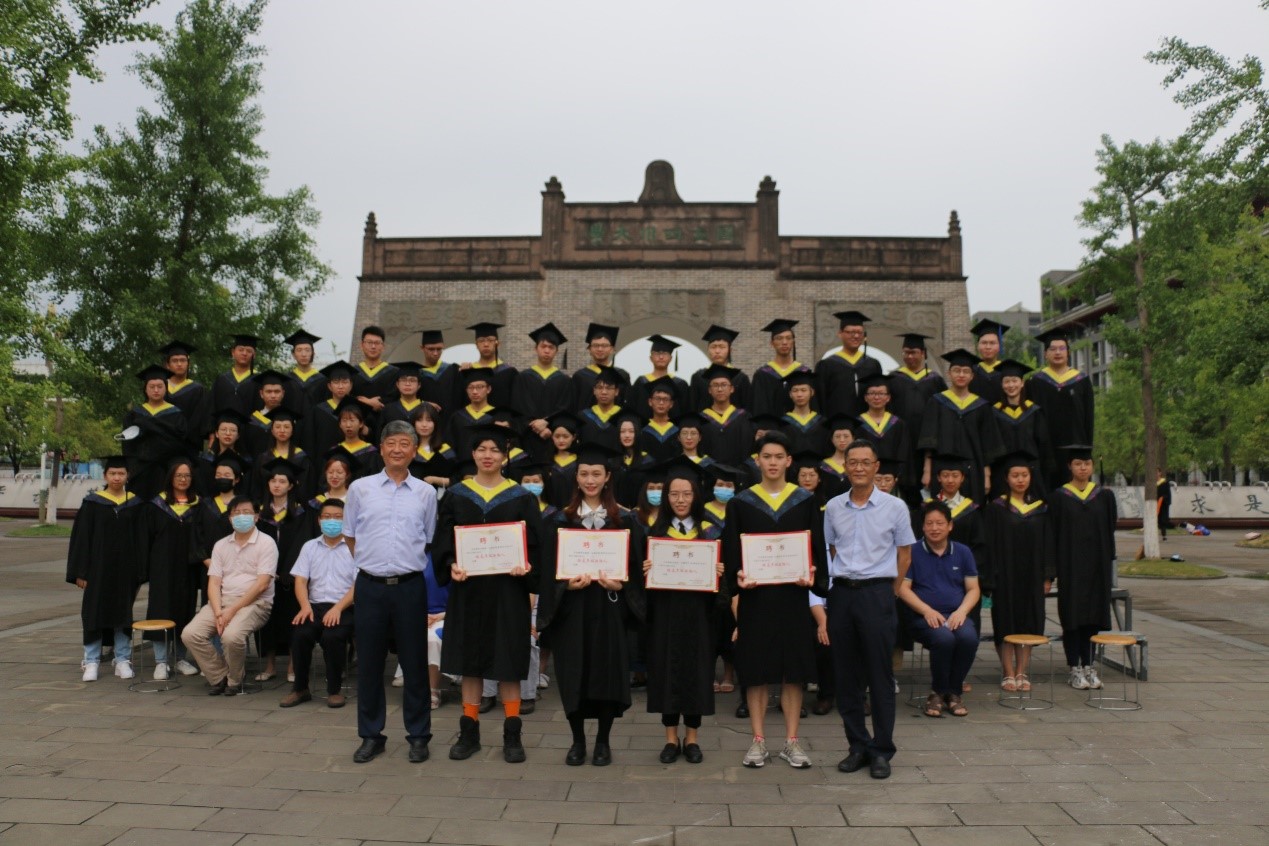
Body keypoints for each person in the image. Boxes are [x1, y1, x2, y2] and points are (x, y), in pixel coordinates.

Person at [432, 423, 542, 763]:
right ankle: (469, 732)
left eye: (495, 449)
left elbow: (536, 546)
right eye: (482, 449)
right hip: (469, 590)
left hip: (509, 591)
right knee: (471, 662)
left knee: (507, 662)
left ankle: (512, 733)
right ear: (473, 454)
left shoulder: (521, 497)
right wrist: (451, 563)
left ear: (505, 456)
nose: (488, 455)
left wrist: (526, 566)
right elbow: (443, 540)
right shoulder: (457, 495)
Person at [538, 443, 646, 767]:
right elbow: (547, 570)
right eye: (584, 474)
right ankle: (577, 741)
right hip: (573, 609)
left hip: (609, 608)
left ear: (607, 476)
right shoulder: (560, 520)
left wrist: (621, 584)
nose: (590, 480)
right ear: (576, 477)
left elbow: (637, 570)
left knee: (606, 674)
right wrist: (565, 584)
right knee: (574, 674)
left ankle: (602, 741)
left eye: (596, 474)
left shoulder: (626, 520)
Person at [722, 431, 826, 770]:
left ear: (788, 461)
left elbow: (816, 548)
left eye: (779, 456)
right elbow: (732, 552)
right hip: (756, 598)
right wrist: (738, 576)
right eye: (766, 456)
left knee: (793, 670)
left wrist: (812, 575)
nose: (772, 462)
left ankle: (792, 742)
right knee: (755, 671)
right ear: (758, 460)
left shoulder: (804, 500)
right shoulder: (741, 503)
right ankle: (758, 741)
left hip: (793, 597)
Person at [343, 419, 439, 764]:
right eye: (391, 443)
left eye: (405, 444)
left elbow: (428, 539)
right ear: (381, 449)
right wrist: (372, 563)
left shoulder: (426, 493)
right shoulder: (360, 489)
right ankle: (371, 735)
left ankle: (419, 735)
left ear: (414, 451)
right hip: (369, 587)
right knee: (370, 664)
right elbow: (350, 535)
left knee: (414, 663)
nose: (397, 450)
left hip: (410, 588)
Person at [822, 439, 917, 780]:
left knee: (880, 675)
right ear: (845, 467)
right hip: (842, 594)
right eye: (853, 462)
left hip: (878, 594)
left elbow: (905, 554)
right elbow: (831, 549)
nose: (859, 468)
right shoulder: (833, 507)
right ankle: (857, 746)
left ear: (876, 467)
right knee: (846, 676)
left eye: (866, 462)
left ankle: (882, 750)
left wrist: (890, 591)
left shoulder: (895, 507)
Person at [642, 467, 723, 764]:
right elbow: (641, 582)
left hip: (699, 615)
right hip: (665, 614)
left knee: (696, 673)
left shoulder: (710, 531)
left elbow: (722, 586)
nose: (680, 499)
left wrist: (718, 573)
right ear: (666, 497)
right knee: (666, 671)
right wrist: (645, 571)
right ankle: (670, 739)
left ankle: (692, 739)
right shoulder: (655, 531)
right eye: (674, 494)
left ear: (695, 496)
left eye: (686, 494)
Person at [181, 495, 278, 696]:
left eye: (246, 512)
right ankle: (220, 676)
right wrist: (218, 612)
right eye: (236, 513)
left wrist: (231, 611)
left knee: (231, 636)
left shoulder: (266, 543)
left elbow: (262, 584)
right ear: (230, 518)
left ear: (256, 516)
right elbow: (214, 582)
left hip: (255, 604)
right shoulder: (221, 545)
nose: (241, 516)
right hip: (222, 602)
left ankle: (235, 681)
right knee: (190, 634)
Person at [898, 500, 981, 718]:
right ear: (923, 526)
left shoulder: (963, 552)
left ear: (950, 525)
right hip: (922, 616)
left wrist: (961, 611)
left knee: (968, 638)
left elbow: (973, 589)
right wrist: (926, 610)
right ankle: (939, 692)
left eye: (940, 523)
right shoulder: (912, 551)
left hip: (955, 614)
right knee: (944, 639)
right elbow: (902, 588)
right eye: (929, 523)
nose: (934, 528)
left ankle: (953, 692)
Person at [982, 452, 1055, 693]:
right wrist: (990, 578)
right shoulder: (996, 508)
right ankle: (1008, 672)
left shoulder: (1041, 509)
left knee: (1029, 622)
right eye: (1015, 475)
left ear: (1031, 477)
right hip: (1005, 577)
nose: (1020, 479)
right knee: (1005, 622)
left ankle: (1022, 671)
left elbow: (1048, 543)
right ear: (1007, 478)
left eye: (1024, 475)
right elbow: (989, 546)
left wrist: (1047, 576)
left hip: (1032, 577)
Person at [68, 455, 144, 682]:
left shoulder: (136, 504)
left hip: (125, 570)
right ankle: (91, 660)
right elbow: (81, 539)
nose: (117, 478)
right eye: (112, 473)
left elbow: (142, 540)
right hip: (97, 570)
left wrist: (141, 571)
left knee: (123, 614)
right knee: (93, 614)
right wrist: (81, 572)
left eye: (121, 473)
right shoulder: (93, 503)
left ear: (128, 475)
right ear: (105, 476)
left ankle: (122, 659)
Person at [1049, 445, 1117, 691]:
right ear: (1070, 466)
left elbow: (1110, 530)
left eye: (1086, 464)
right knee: (1072, 618)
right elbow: (1053, 534)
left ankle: (1089, 665)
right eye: (1078, 464)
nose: (1083, 468)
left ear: (1092, 466)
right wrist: (1052, 570)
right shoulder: (1059, 497)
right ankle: (1074, 668)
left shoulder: (1104, 496)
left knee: (1093, 618)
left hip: (1097, 567)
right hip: (1071, 567)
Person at [281, 498, 356, 709]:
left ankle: (334, 690)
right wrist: (305, 606)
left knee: (333, 637)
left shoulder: (355, 548)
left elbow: (359, 585)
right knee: (300, 634)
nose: (332, 521)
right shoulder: (310, 546)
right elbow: (300, 581)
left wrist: (338, 608)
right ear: (319, 520)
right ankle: (300, 689)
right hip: (314, 605)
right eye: (327, 517)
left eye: (338, 517)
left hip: (345, 606)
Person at [140, 459, 203, 679]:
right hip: (162, 568)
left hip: (188, 568)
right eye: (179, 475)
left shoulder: (198, 506)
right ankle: (161, 661)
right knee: (160, 610)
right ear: (171, 478)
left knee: (185, 611)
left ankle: (180, 658)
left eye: (187, 475)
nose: (183, 479)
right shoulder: (156, 506)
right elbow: (146, 539)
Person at [917, 349, 1004, 504]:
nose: (961, 375)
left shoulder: (982, 406)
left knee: (972, 510)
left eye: (966, 371)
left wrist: (986, 475)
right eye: (957, 371)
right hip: (943, 470)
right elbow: (929, 440)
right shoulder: (937, 402)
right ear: (949, 374)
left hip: (974, 470)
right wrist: (927, 470)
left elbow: (987, 444)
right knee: (942, 510)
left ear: (972, 376)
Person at [253, 457, 308, 683]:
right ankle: (270, 666)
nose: (277, 485)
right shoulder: (260, 514)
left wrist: (288, 571)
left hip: (291, 578)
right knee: (268, 623)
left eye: (282, 481)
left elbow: (302, 543)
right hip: (266, 577)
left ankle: (293, 667)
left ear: (291, 485)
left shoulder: (300, 513)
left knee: (293, 621)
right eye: (273, 481)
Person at [1027, 328, 1094, 485]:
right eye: (1053, 349)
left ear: (1068, 352)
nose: (1057, 352)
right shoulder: (1035, 382)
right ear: (1045, 354)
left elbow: (1089, 419)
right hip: (1044, 449)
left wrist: (1086, 451)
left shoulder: (1082, 381)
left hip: (1075, 449)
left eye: (1062, 348)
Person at [888, 332, 947, 493]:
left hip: (928, 442)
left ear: (923, 354)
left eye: (913, 352)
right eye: (906, 352)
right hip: (902, 441)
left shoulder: (935, 381)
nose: (909, 356)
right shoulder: (894, 379)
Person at [122, 364, 190, 501]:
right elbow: (128, 446)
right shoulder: (134, 415)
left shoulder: (176, 414)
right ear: (145, 389)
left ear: (166, 388)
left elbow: (181, 444)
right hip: (139, 471)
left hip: (166, 469)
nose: (156, 390)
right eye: (152, 387)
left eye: (160, 386)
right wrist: (131, 468)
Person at [990, 359, 1054, 497]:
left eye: (1014, 381)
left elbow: (1043, 444)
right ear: (1001, 384)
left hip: (1031, 473)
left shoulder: (1034, 411)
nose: (1011, 385)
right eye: (1007, 381)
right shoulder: (994, 413)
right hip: (1002, 474)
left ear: (1022, 383)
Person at [514, 322, 574, 463]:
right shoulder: (523, 377)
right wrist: (538, 428)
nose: (547, 351)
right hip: (528, 439)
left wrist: (548, 423)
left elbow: (565, 408)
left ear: (556, 351)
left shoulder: (564, 380)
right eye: (543, 346)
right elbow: (519, 408)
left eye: (551, 347)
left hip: (554, 438)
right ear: (536, 348)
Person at [817, 310, 882, 419]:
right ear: (840, 334)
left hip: (867, 424)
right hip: (837, 423)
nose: (856, 336)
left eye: (859, 332)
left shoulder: (872, 365)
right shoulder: (827, 365)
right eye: (851, 332)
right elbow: (820, 400)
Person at [751, 319, 811, 419]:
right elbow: (758, 408)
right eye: (779, 338)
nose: (784, 342)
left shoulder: (804, 372)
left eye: (788, 338)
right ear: (772, 343)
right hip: (770, 427)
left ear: (793, 342)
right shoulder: (762, 375)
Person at [698, 364, 753, 467]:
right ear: (709, 390)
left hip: (739, 474)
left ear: (732, 389)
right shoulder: (701, 419)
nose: (720, 389)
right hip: (710, 474)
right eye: (715, 385)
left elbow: (748, 449)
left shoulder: (744, 417)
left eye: (724, 385)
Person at [159, 340, 208, 453]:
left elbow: (198, 421)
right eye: (175, 361)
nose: (179, 364)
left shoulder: (197, 389)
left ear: (188, 364)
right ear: (167, 365)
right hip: (162, 447)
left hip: (188, 448)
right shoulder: (159, 388)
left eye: (182, 360)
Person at [351, 325, 399, 438]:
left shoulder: (394, 372)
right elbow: (348, 397)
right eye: (369, 342)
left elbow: (394, 397)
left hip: (385, 426)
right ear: (362, 345)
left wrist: (377, 403)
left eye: (377, 343)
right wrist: (370, 403)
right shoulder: (352, 372)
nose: (373, 346)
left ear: (383, 346)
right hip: (358, 427)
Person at [627, 335, 691, 421]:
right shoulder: (641, 382)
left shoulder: (680, 384)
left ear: (671, 358)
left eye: (665, 353)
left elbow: (685, 412)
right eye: (657, 353)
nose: (661, 357)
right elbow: (632, 410)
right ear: (651, 358)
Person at [690, 324, 752, 412]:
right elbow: (693, 408)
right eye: (713, 347)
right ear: (708, 349)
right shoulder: (699, 377)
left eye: (722, 347)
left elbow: (748, 408)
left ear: (730, 350)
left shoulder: (740, 378)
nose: (717, 351)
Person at [572, 322, 628, 411]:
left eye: (604, 346)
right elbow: (573, 406)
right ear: (589, 349)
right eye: (596, 345)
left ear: (612, 349)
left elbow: (626, 405)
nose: (600, 349)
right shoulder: (580, 376)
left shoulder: (622, 375)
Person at [306, 360, 357, 457]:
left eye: (345, 382)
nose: (340, 386)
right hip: (323, 461)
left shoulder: (358, 409)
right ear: (329, 386)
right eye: (336, 382)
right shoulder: (318, 411)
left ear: (351, 385)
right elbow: (310, 441)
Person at [195, 409, 249, 498]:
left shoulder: (244, 460)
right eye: (223, 429)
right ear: (216, 433)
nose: (228, 433)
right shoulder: (205, 459)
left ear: (238, 435)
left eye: (233, 430)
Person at [463, 322, 517, 411]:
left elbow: (515, 402)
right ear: (476, 345)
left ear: (497, 343)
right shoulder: (468, 371)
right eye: (481, 340)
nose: (486, 344)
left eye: (490, 340)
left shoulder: (509, 372)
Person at [209, 333, 260, 421]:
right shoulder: (222, 379)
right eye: (241, 350)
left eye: (249, 351)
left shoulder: (259, 380)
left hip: (249, 428)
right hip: (223, 428)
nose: (244, 353)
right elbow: (212, 407)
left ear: (254, 355)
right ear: (233, 352)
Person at [329, 397, 383, 480]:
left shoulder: (371, 453)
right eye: (344, 420)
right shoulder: (334, 452)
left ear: (361, 424)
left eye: (352, 420)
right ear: (340, 424)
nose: (348, 425)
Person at [779, 371, 830, 457]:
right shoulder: (783, 423)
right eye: (795, 390)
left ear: (812, 392)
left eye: (803, 390)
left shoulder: (823, 423)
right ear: (790, 394)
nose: (799, 394)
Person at [578, 366, 627, 452]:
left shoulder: (624, 417)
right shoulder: (583, 417)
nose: (604, 392)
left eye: (608, 388)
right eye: (600, 388)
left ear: (616, 392)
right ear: (594, 391)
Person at [407, 404, 455, 489]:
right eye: (419, 420)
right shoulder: (407, 450)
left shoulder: (445, 451)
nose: (424, 425)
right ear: (413, 423)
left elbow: (457, 479)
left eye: (429, 420)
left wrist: (435, 480)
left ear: (435, 423)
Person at [282, 329, 326, 416]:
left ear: (313, 353)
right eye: (299, 350)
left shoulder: (322, 379)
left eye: (307, 350)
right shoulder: (286, 380)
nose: (303, 354)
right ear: (293, 355)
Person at [636, 381, 682, 462]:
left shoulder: (678, 429)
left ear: (671, 404)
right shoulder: (641, 428)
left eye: (665, 399)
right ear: (650, 402)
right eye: (657, 398)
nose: (661, 403)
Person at [968, 318, 1008, 405]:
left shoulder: (1007, 371)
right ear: (977, 346)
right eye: (984, 343)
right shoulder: (970, 372)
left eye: (992, 343)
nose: (988, 347)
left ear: (999, 346)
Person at [378, 361, 426, 428]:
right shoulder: (388, 410)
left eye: (412, 380)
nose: (407, 384)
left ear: (419, 385)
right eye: (403, 380)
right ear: (397, 384)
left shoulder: (426, 409)